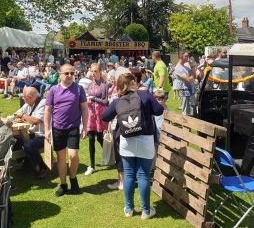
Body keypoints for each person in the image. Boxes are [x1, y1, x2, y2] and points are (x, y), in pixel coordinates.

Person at [101, 71, 164, 220]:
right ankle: (146, 211)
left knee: (128, 175)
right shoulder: (145, 95)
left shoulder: (118, 101)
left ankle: (129, 209)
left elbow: (105, 117)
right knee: (143, 175)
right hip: (145, 139)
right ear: (133, 83)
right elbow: (159, 110)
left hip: (126, 141)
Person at [44, 64, 88, 196]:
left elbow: (85, 109)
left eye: (72, 73)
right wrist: (46, 129)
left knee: (73, 155)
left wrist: (85, 127)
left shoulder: (79, 89)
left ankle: (73, 179)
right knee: (61, 157)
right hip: (57, 127)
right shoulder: (54, 90)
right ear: (60, 74)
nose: (69, 76)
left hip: (73, 127)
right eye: (67, 73)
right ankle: (63, 184)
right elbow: (47, 110)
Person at [12, 87, 47, 178]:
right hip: (30, 133)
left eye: (24, 96)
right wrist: (18, 118)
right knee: (12, 141)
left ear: (30, 96)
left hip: (43, 135)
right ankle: (28, 163)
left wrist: (23, 115)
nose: (22, 98)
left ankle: (42, 167)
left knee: (29, 145)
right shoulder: (28, 104)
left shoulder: (43, 103)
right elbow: (17, 113)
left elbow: (36, 121)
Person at [85, 63, 109, 176]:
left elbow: (105, 101)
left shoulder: (104, 85)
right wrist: (89, 100)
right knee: (91, 139)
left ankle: (109, 155)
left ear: (100, 72)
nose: (93, 73)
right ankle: (92, 165)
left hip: (100, 114)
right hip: (91, 113)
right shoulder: (91, 84)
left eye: (95, 71)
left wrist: (93, 98)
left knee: (100, 138)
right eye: (92, 71)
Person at [175, 50, 196, 116]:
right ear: (181, 56)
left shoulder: (186, 67)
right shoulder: (178, 67)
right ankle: (185, 124)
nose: (188, 58)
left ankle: (190, 123)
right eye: (186, 56)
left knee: (191, 109)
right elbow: (188, 80)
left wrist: (192, 66)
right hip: (184, 91)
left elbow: (195, 74)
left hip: (190, 90)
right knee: (185, 110)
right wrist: (192, 76)